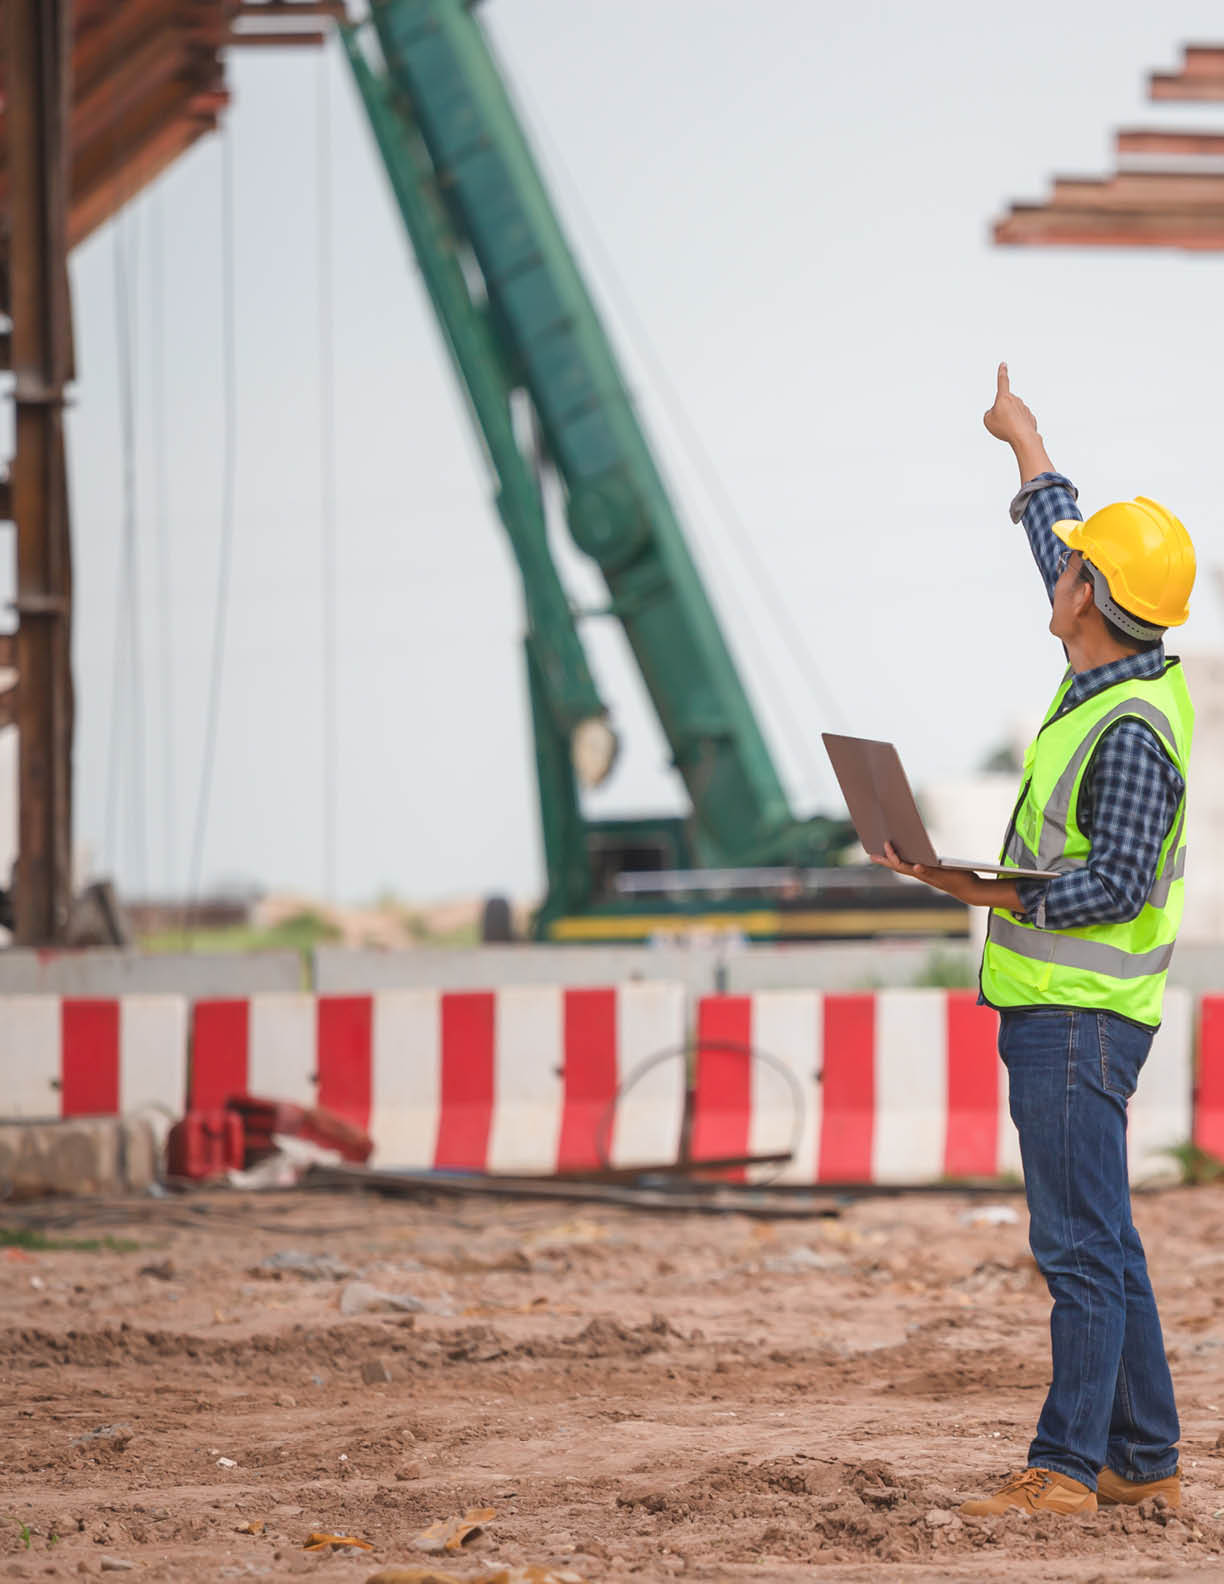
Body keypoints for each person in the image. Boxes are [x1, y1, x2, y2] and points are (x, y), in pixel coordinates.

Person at [872, 363, 1196, 1517]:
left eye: (1072, 571)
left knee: (1077, 1252)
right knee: (1103, 1239)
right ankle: (1144, 1461)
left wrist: (996, 893)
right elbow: (1065, 537)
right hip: (1060, 1016)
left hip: (1079, 1023)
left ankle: (1064, 1473)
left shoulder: (1131, 731)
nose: (1056, 571)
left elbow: (1111, 881)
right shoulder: (1109, 659)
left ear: (1090, 601)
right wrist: (1027, 443)